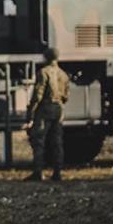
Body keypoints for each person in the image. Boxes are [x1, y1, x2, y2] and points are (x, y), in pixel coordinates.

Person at [24, 47, 70, 181]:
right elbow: (66, 96)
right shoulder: (63, 75)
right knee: (57, 142)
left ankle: (38, 172)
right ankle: (57, 173)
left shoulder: (43, 73)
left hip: (45, 109)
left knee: (39, 141)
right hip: (58, 109)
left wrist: (30, 113)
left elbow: (38, 95)